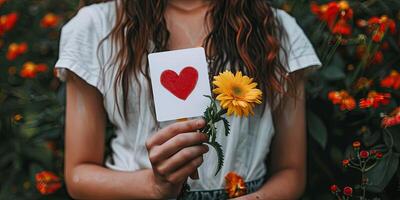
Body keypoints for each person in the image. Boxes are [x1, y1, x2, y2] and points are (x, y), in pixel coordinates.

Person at [55, 0, 321, 199]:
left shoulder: (276, 30)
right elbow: (79, 175)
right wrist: (153, 185)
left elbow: (291, 171)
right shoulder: (96, 29)